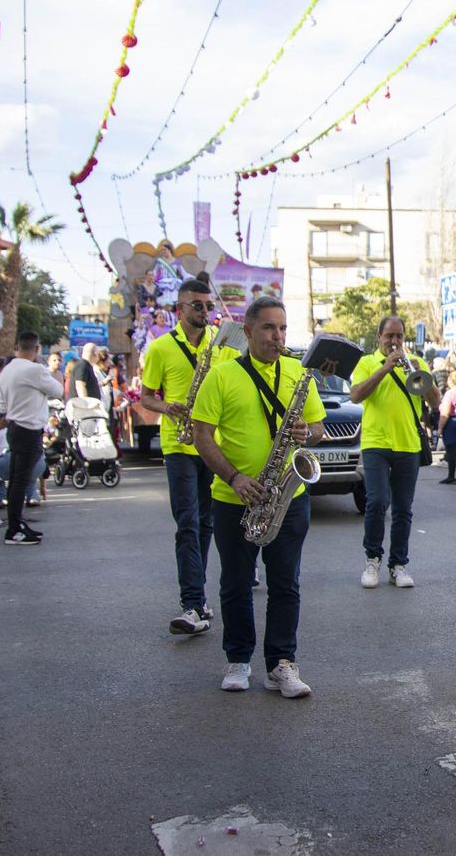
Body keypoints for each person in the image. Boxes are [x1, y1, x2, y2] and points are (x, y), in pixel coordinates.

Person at [190, 296, 325, 698]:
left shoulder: (299, 372)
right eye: (268, 328)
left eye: (282, 328)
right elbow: (201, 436)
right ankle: (238, 658)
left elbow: (317, 428)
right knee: (234, 583)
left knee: (287, 584)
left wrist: (307, 433)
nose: (277, 336)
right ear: (247, 331)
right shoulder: (222, 375)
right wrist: (234, 477)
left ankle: (281, 664)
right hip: (236, 497)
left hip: (289, 496)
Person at [140, 280, 238, 636]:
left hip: (213, 444)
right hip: (178, 444)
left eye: (208, 306)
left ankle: (199, 597)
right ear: (179, 309)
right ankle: (192, 603)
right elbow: (145, 396)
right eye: (197, 306)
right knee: (187, 523)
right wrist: (168, 406)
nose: (205, 312)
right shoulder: (161, 348)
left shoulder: (220, 344)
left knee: (206, 523)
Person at [350, 316, 438, 589]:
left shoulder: (417, 363)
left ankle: (398, 565)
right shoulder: (366, 362)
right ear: (379, 337)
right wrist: (385, 368)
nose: (394, 341)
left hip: (408, 444)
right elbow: (356, 395)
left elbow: (434, 401)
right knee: (376, 502)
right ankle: (372, 559)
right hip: (376, 443)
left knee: (403, 509)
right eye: (389, 336)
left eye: (399, 336)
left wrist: (425, 379)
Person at [0, 332, 62, 546]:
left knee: (16, 478)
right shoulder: (35, 370)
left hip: (13, 427)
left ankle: (17, 523)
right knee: (21, 481)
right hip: (29, 429)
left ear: (17, 347)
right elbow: (58, 390)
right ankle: (14, 529)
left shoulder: (7, 370)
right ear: (37, 348)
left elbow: (2, 406)